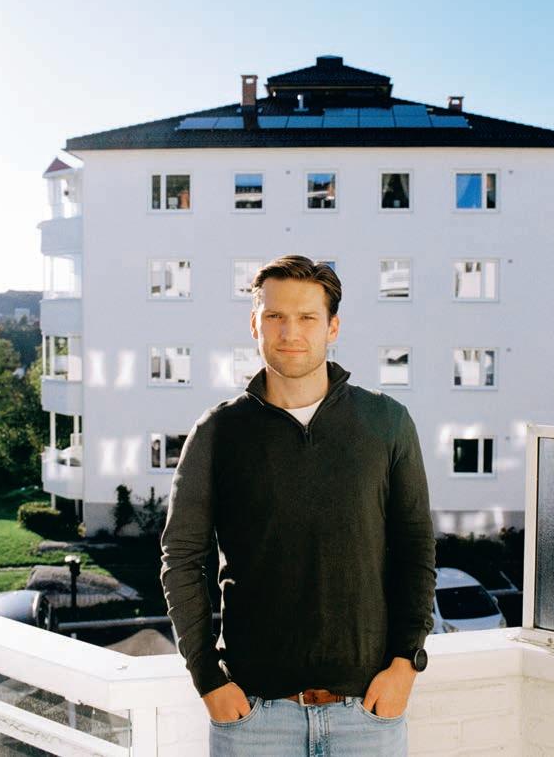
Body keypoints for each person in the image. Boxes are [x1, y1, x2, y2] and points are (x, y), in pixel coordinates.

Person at [160, 255, 437, 756]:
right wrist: (206, 677)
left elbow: (415, 549)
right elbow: (182, 558)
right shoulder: (218, 433)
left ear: (333, 327)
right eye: (275, 316)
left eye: (307, 317)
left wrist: (406, 663)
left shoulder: (386, 423)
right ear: (255, 324)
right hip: (253, 720)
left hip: (367, 716)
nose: (290, 332)